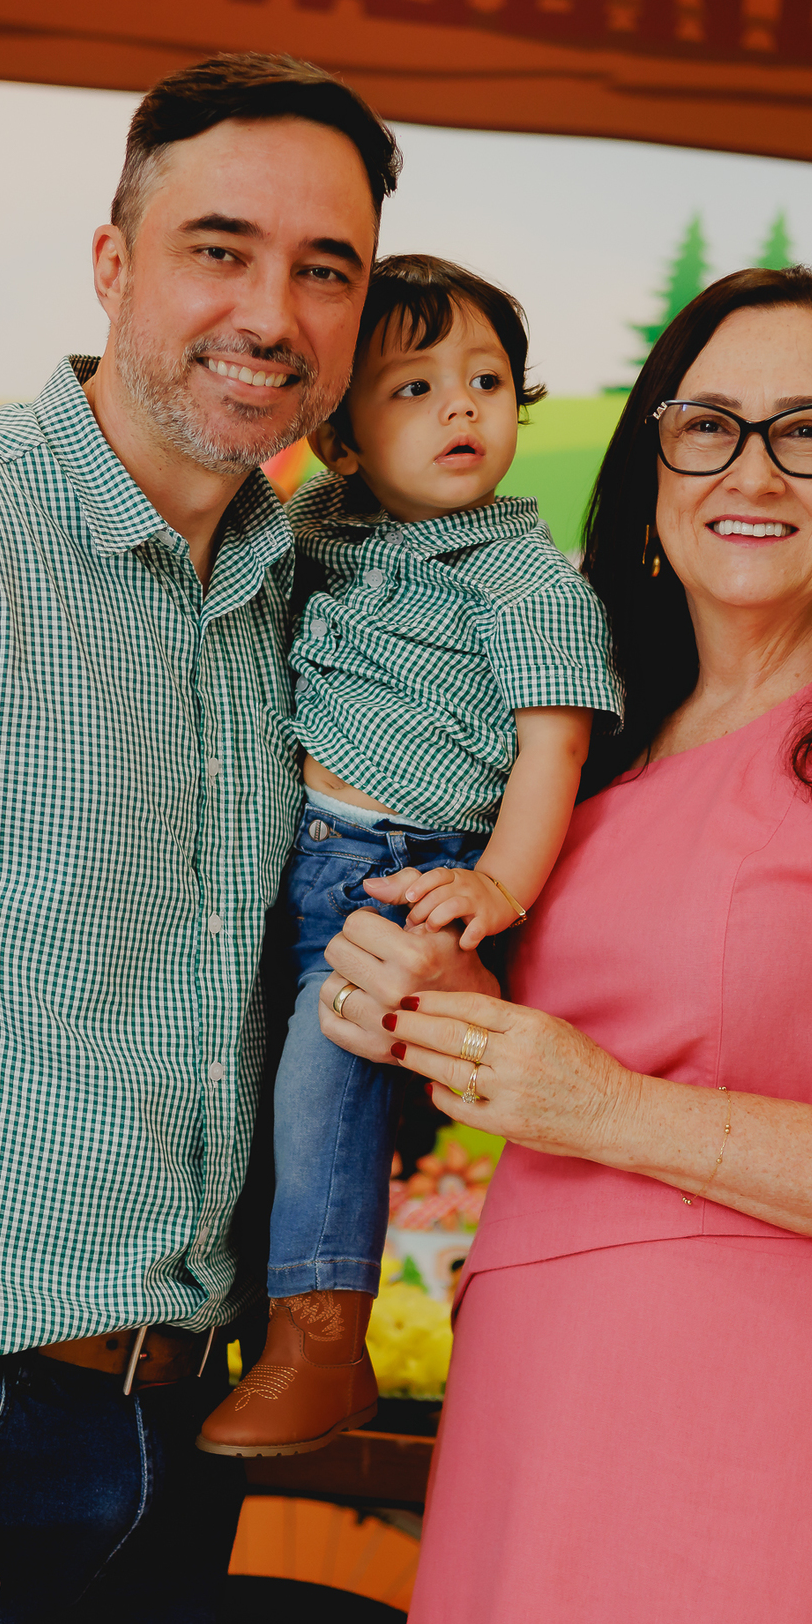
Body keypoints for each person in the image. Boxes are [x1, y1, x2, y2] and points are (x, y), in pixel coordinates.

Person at [317, 266, 812, 1624]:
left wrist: (607, 1108)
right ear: (654, 466)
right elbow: (551, 1052)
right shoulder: (593, 750)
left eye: (808, 431)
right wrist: (440, 994)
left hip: (771, 1452)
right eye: (708, 425)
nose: (750, 470)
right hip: (536, 1413)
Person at [0, 52, 399, 1624]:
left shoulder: (303, 597)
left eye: (325, 269)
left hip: (171, 1429)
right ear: (112, 262)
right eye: (221, 248)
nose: (271, 313)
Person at [197, 254, 619, 1458]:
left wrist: (498, 884)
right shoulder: (322, 524)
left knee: (327, 1089)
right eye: (416, 388)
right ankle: (240, 1316)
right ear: (341, 438)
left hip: (398, 872)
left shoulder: (526, 582)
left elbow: (552, 749)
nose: (461, 409)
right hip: (289, 854)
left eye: (486, 382)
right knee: (246, 1086)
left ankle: (324, 1343)